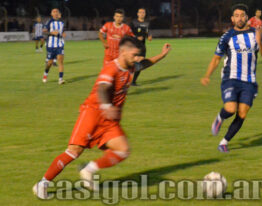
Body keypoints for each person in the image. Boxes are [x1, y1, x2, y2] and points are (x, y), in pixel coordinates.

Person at [32, 36, 172, 199]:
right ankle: (42, 184)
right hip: (93, 113)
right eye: (134, 55)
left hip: (110, 120)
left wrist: (162, 55)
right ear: (123, 52)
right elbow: (102, 88)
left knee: (123, 150)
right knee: (74, 151)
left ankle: (88, 169)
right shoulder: (111, 68)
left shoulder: (131, 66)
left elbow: (145, 63)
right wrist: (107, 106)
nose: (137, 58)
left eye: (138, 55)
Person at [200, 4, 262, 153]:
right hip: (231, 78)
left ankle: (224, 142)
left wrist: (260, 42)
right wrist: (207, 76)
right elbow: (216, 59)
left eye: (242, 15)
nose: (239, 18)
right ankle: (220, 117)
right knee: (231, 109)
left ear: (247, 18)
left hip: (249, 80)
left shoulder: (255, 34)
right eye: (236, 16)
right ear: (232, 19)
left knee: (242, 113)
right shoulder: (227, 36)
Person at [42, 8, 66, 84]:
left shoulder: (62, 22)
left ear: (58, 13)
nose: (55, 13)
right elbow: (44, 31)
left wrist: (63, 34)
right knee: (49, 63)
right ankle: (45, 74)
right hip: (51, 45)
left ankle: (60, 79)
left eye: (56, 12)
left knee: (60, 61)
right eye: (54, 12)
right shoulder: (49, 22)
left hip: (60, 44)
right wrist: (51, 33)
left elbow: (63, 31)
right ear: (51, 14)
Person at [130, 8, 152, 86]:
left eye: (143, 12)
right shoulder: (133, 22)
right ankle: (127, 79)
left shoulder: (147, 23)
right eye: (140, 12)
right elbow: (128, 33)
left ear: (145, 14)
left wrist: (149, 36)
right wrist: (136, 37)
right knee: (133, 63)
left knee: (140, 64)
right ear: (137, 14)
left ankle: (133, 82)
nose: (142, 13)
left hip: (142, 46)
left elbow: (148, 32)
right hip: (134, 46)